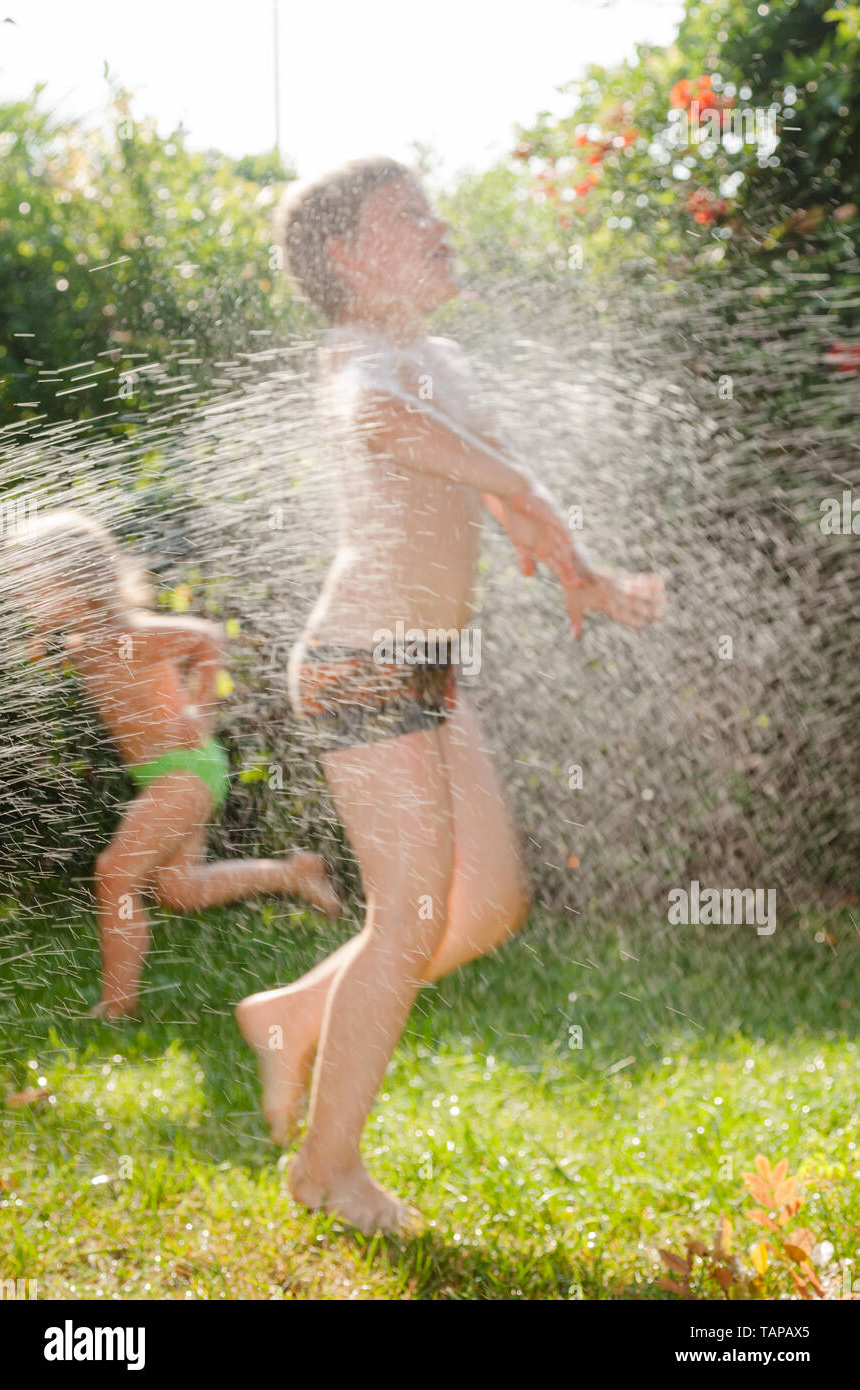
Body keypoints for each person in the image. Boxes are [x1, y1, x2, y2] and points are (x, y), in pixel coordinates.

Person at [236, 156, 667, 1234]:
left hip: (426, 666)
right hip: (361, 662)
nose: (440, 222)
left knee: (483, 906)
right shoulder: (359, 359)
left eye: (435, 202)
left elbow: (509, 495)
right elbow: (377, 426)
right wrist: (508, 482)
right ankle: (326, 1171)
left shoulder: (443, 361)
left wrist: (586, 574)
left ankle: (292, 1012)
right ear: (346, 256)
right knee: (413, 911)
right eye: (407, 215)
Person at [4, 509, 339, 1019]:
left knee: (115, 874)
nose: (20, 598)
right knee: (178, 891)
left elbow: (207, 637)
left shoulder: (125, 633)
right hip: (168, 773)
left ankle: (118, 1006)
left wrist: (200, 705)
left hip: (186, 769)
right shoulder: (82, 641)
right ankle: (292, 874)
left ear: (74, 583)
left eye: (30, 586)